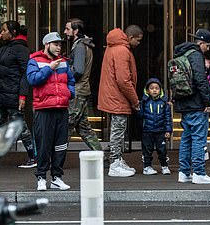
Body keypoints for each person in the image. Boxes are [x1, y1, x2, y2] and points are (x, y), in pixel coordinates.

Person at [27, 32, 75, 192]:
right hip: (44, 109)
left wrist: (70, 93)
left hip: (61, 108)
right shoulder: (34, 60)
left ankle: (57, 177)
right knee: (43, 146)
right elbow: (33, 80)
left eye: (60, 44)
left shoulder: (64, 62)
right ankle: (41, 177)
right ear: (46, 45)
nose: (59, 47)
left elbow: (71, 80)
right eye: (55, 44)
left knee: (61, 145)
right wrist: (49, 68)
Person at [0, 21, 36, 168]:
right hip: (0, 94)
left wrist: (22, 95)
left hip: (13, 95)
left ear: (13, 32)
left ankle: (34, 156)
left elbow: (26, 74)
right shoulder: (3, 46)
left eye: (4, 30)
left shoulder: (20, 49)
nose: (1, 33)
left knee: (20, 127)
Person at [173, 29, 210, 185]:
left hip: (183, 102)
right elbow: (200, 79)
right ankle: (199, 172)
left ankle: (184, 173)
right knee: (198, 138)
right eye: (208, 46)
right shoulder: (196, 55)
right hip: (196, 103)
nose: (208, 49)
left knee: (186, 138)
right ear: (201, 43)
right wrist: (209, 102)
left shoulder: (181, 54)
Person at [98, 25, 142, 178]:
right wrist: (135, 100)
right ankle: (115, 163)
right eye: (138, 39)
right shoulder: (122, 50)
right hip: (118, 97)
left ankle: (117, 160)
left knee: (117, 130)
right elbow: (124, 80)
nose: (139, 43)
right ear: (130, 38)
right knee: (118, 131)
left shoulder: (113, 47)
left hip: (112, 95)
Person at [64, 18, 101, 151]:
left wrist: (66, 77)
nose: (65, 32)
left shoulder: (79, 46)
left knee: (66, 126)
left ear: (76, 30)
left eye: (68, 29)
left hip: (78, 91)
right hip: (83, 90)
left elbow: (78, 70)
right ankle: (101, 158)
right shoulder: (85, 44)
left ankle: (55, 159)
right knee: (85, 129)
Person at [137, 77, 171, 176]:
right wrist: (138, 109)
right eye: (152, 88)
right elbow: (140, 116)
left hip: (161, 130)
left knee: (162, 150)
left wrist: (168, 130)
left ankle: (164, 166)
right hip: (147, 130)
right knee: (147, 149)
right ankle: (147, 167)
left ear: (160, 90)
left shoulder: (164, 102)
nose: (154, 90)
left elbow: (167, 117)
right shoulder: (144, 102)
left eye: (157, 88)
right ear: (147, 90)